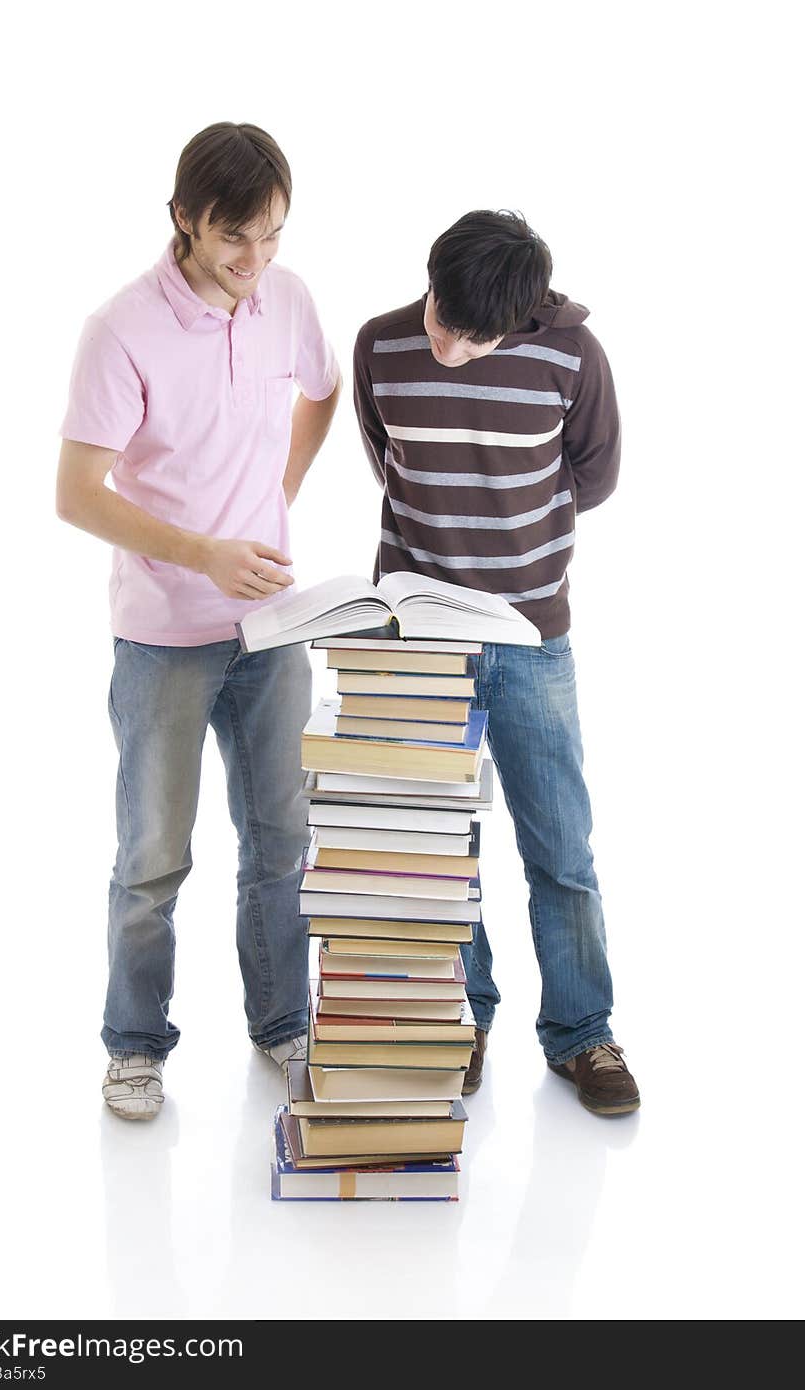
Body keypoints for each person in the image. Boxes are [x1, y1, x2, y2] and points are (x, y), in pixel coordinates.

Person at [57, 122, 340, 1120]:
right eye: (233, 239)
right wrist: (202, 551)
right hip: (163, 638)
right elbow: (76, 494)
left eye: (271, 236)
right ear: (183, 219)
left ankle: (281, 1024)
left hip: (271, 631)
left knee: (280, 840)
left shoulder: (287, 296)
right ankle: (134, 1046)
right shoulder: (120, 328)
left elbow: (323, 389)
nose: (253, 262)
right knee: (152, 858)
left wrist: (278, 496)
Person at [352, 210, 639, 1115]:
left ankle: (582, 1034)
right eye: (441, 318)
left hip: (530, 638)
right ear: (430, 281)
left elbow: (592, 477)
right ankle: (460, 1019)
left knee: (561, 846)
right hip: (412, 637)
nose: (448, 347)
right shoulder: (381, 345)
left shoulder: (574, 357)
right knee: (437, 852)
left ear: (517, 320)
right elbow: (387, 458)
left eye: (474, 340)